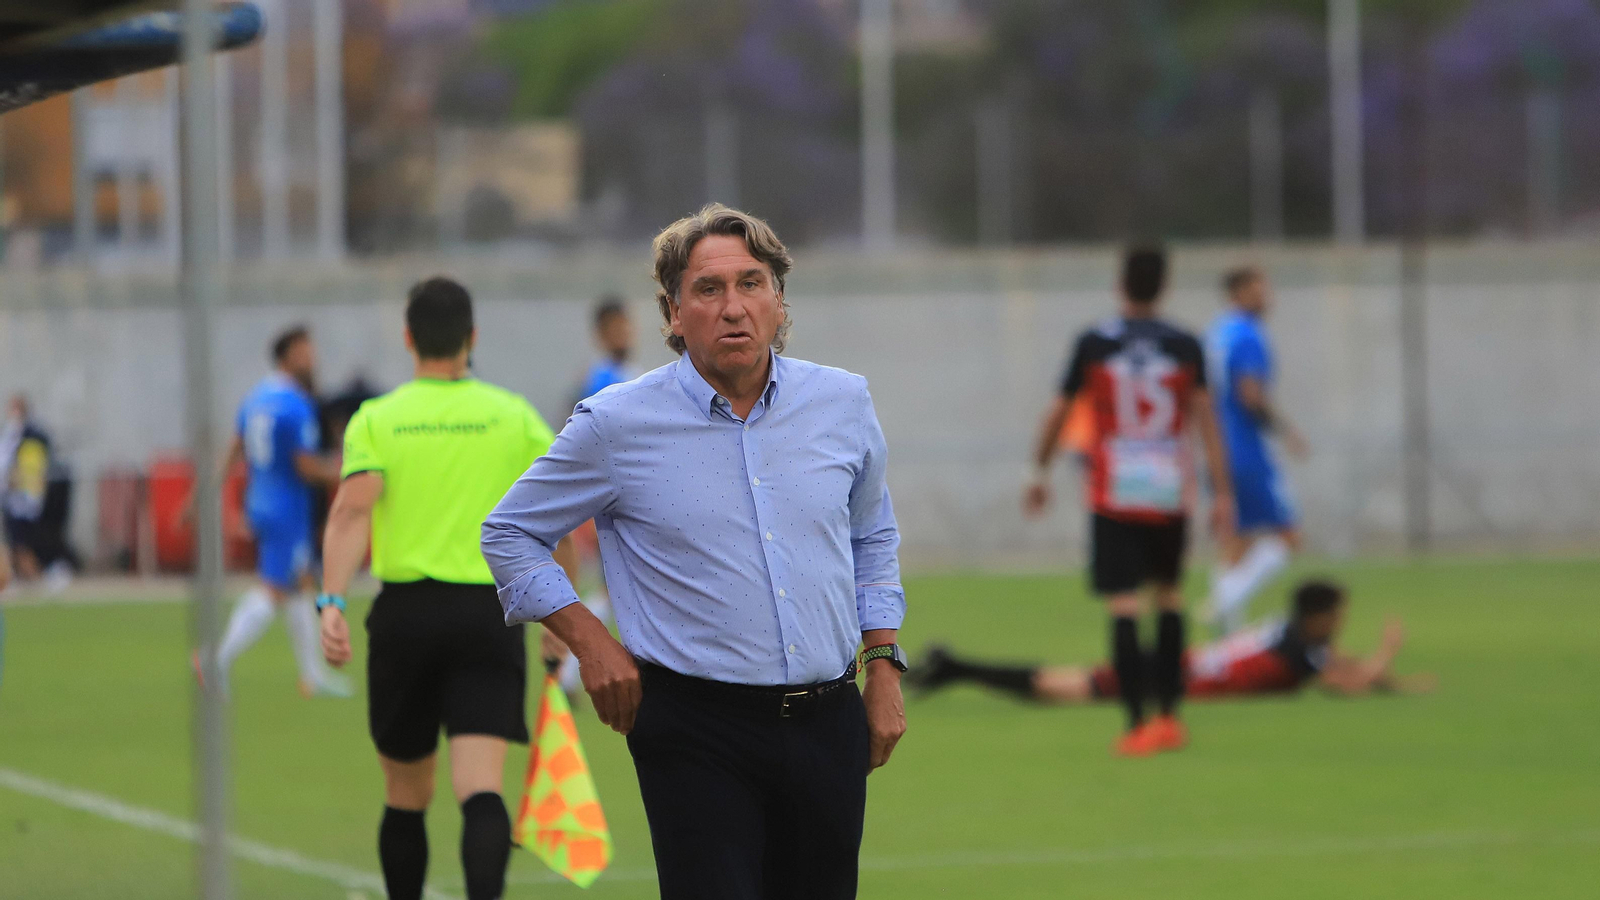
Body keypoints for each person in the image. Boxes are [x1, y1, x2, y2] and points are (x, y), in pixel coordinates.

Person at [482, 203, 908, 900]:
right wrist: (591, 641)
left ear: (779, 301)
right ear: (674, 313)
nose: (733, 306)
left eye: (751, 283)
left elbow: (872, 535)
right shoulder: (616, 424)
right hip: (694, 729)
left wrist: (884, 663)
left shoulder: (843, 402)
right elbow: (509, 532)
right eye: (708, 289)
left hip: (829, 719)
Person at [316, 277, 576, 900]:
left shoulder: (378, 418)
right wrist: (560, 619)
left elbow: (353, 511)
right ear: (472, 337)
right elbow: (557, 517)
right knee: (481, 790)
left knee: (405, 795)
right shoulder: (512, 415)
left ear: (408, 339)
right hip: (488, 615)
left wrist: (330, 603)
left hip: (404, 616)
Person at [1023, 246, 1233, 757]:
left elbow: (1058, 411)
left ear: (1121, 284)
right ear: (1164, 286)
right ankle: (1170, 717)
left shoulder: (1095, 343)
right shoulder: (1184, 344)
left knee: (1123, 604)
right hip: (1167, 486)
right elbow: (1206, 421)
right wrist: (1222, 492)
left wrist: (1040, 469)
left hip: (1114, 487)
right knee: (1169, 598)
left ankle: (1137, 723)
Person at [908, 580, 1434, 704]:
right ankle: (955, 667)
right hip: (1174, 676)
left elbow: (1342, 665)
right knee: (1058, 687)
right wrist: (1387, 654)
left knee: (1066, 682)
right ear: (1319, 617)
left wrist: (1399, 680)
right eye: (1338, 616)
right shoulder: (1303, 650)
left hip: (1178, 665)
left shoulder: (1290, 634)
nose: (1340, 625)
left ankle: (954, 669)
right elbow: (1346, 683)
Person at [201, 328, 347, 697]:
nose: (313, 360)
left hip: (262, 501)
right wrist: (347, 470)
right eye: (307, 353)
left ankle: (312, 675)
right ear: (290, 355)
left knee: (300, 585)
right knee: (273, 591)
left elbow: (233, 448)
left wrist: (202, 496)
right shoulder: (296, 405)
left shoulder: (257, 397)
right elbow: (305, 467)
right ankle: (214, 658)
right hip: (287, 508)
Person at [1205, 266, 1309, 634]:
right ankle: (1223, 604)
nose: (1268, 296)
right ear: (1238, 292)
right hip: (1245, 448)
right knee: (1289, 537)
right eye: (1259, 289)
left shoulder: (1217, 333)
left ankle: (1227, 638)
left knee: (1235, 541)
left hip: (1214, 445)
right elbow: (1251, 395)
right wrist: (1286, 431)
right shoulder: (1248, 335)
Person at [2, 395, 80, 593]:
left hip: (27, 499)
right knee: (16, 542)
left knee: (24, 542)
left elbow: (34, 467)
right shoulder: (9, 434)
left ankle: (44, 576)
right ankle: (26, 578)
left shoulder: (34, 436)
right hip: (11, 499)